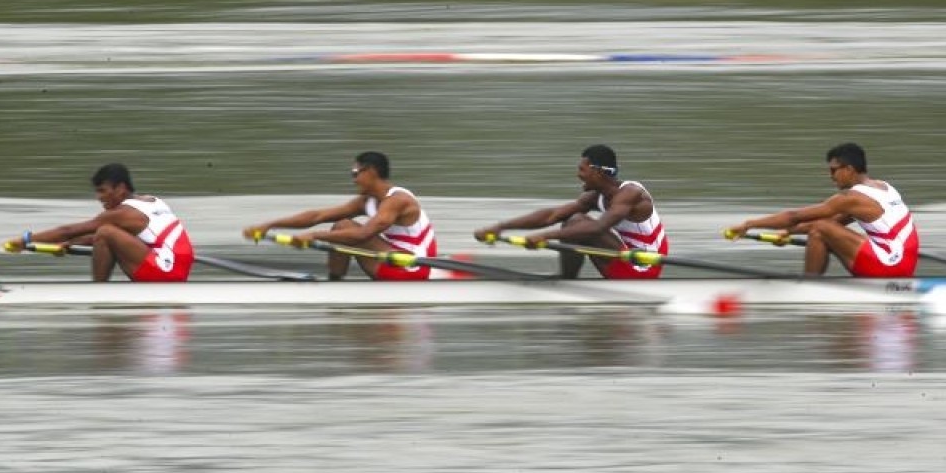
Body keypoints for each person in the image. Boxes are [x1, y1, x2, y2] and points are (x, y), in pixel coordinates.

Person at [473, 144, 669, 279]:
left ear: (598, 172)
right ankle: (567, 280)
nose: (578, 175)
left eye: (582, 170)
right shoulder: (594, 197)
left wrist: (544, 236)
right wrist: (500, 227)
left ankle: (566, 280)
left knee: (577, 222)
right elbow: (552, 215)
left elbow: (598, 229)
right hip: (621, 264)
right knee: (571, 219)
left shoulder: (631, 193)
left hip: (644, 268)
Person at [725, 142, 920, 277]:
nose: (830, 176)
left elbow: (793, 216)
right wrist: (787, 232)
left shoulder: (851, 198)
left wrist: (749, 225)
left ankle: (809, 286)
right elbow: (836, 222)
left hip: (889, 266)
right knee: (821, 230)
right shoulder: (883, 187)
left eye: (834, 170)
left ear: (849, 169)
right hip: (904, 265)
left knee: (819, 228)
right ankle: (813, 282)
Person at [241, 151, 438, 281]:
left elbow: (363, 236)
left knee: (344, 227)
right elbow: (317, 216)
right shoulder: (366, 201)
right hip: (391, 263)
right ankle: (334, 284)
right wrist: (269, 225)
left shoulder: (398, 200)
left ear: (371, 172)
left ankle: (334, 286)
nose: (353, 180)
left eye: (355, 173)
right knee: (341, 224)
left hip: (414, 268)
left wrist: (315, 236)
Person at [5, 163, 195, 282]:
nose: (99, 197)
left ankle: (98, 292)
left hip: (165, 271)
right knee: (106, 233)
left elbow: (68, 230)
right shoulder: (152, 200)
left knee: (105, 232)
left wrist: (26, 240)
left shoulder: (122, 213)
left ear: (120, 188)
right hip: (177, 267)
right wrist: (71, 244)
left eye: (103, 191)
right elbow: (100, 239)